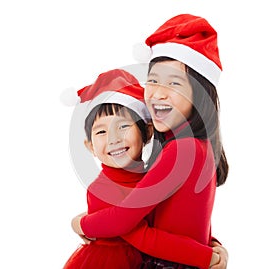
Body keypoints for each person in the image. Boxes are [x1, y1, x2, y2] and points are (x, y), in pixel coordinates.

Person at [71, 14, 229, 269]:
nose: (158, 92)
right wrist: (210, 245)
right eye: (153, 80)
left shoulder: (182, 149)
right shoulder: (198, 145)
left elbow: (126, 223)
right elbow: (191, 218)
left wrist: (80, 223)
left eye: (174, 83)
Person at [63, 69, 153, 269]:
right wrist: (204, 255)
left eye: (123, 126)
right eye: (102, 131)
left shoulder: (155, 176)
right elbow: (142, 237)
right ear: (91, 147)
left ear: (147, 131)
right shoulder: (101, 189)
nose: (113, 138)